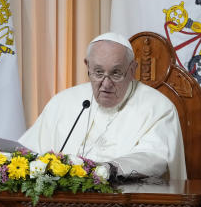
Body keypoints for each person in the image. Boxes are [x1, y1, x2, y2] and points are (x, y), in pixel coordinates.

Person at [19, 32, 187, 180]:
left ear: (132, 70)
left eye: (116, 73)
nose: (105, 84)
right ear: (87, 66)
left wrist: (108, 169)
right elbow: (28, 149)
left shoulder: (158, 107)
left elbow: (154, 157)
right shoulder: (63, 101)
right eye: (98, 72)